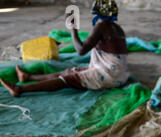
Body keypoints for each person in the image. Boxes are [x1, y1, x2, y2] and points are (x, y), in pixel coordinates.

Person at [0, 0, 129, 97]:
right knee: (71, 71)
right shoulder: (117, 28)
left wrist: (73, 30)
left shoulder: (101, 26)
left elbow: (81, 50)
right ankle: (28, 78)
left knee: (67, 80)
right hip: (118, 76)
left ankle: (20, 89)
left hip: (108, 76)